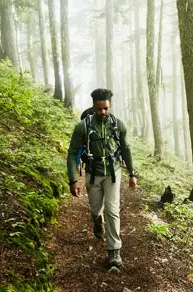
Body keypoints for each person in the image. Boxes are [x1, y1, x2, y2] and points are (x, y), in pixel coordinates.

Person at [67, 88, 137, 268]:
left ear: (110, 106)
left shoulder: (118, 125)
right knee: (96, 209)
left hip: (113, 173)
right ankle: (98, 222)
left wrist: (132, 174)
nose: (103, 112)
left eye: (106, 108)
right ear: (93, 107)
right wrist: (73, 180)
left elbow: (126, 149)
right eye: (99, 109)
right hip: (92, 174)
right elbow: (72, 152)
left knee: (112, 210)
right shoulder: (82, 127)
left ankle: (114, 251)